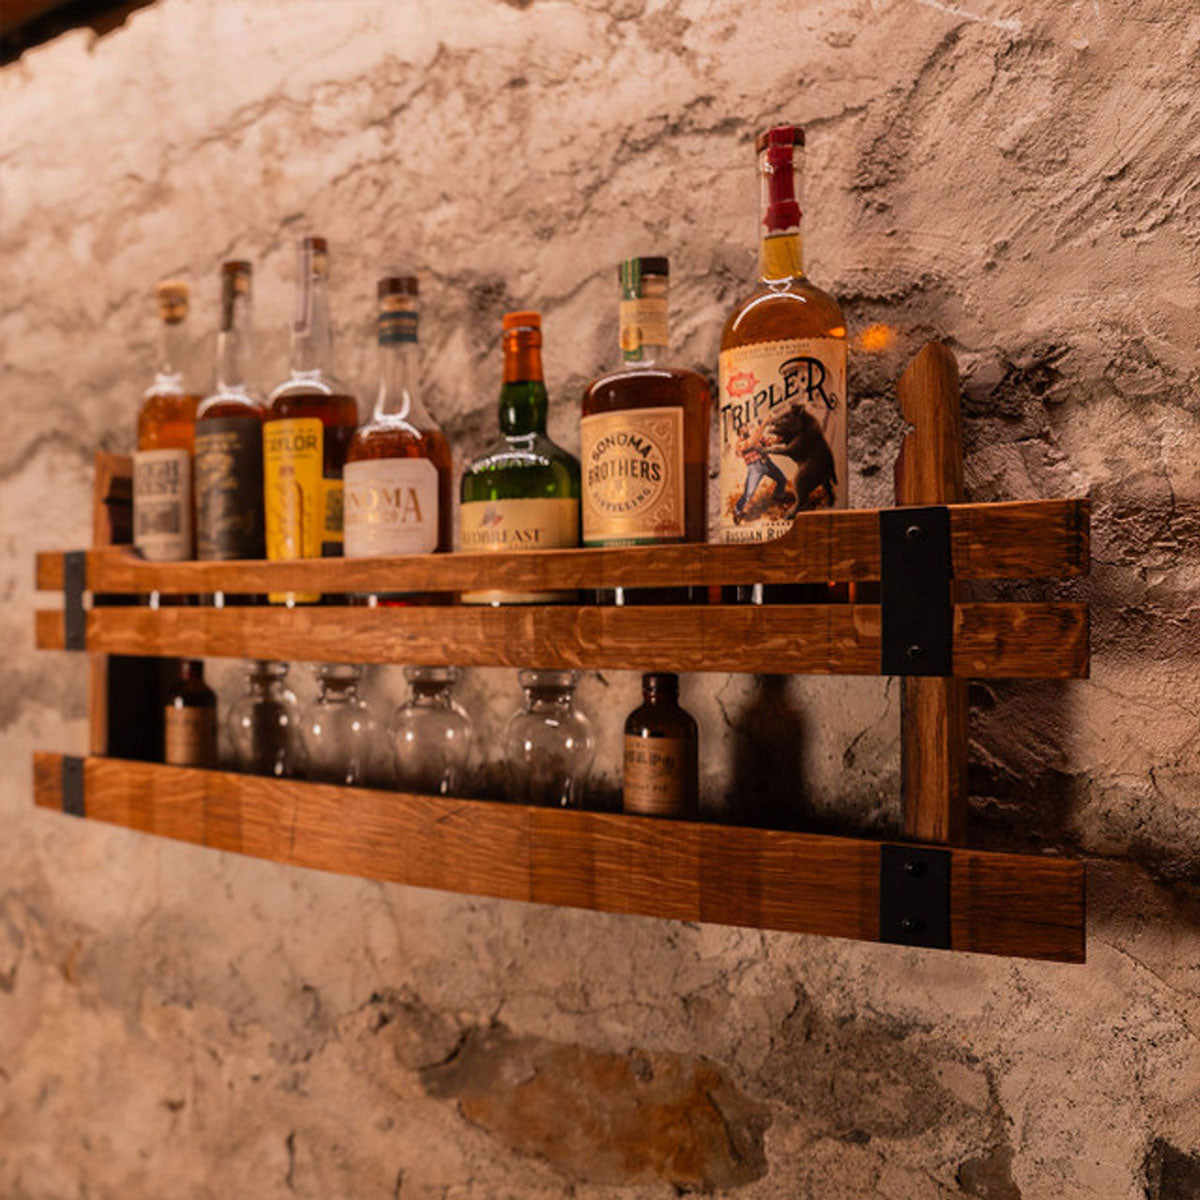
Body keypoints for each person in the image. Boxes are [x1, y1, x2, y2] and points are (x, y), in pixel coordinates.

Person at [733, 418, 788, 521]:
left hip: (766, 463)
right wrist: (763, 424)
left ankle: (777, 496)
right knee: (748, 494)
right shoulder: (740, 443)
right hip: (754, 468)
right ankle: (737, 511)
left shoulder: (756, 436)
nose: (746, 429)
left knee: (782, 480)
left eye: (746, 426)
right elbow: (751, 443)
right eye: (743, 428)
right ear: (739, 431)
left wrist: (779, 438)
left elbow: (768, 442)